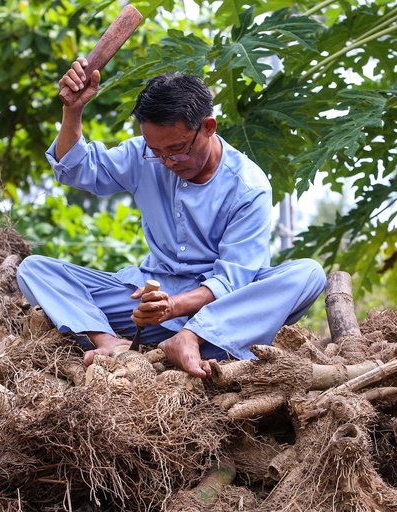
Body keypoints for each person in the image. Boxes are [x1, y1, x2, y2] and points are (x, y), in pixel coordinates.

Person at [17, 59, 326, 378]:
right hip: (146, 307)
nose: (167, 162)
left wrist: (174, 307)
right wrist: (73, 110)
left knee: (309, 274)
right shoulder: (143, 156)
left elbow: (235, 281)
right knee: (35, 269)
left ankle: (191, 340)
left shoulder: (248, 186)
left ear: (208, 127)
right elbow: (77, 168)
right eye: (157, 151)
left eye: (177, 150)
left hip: (217, 314)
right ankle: (109, 342)